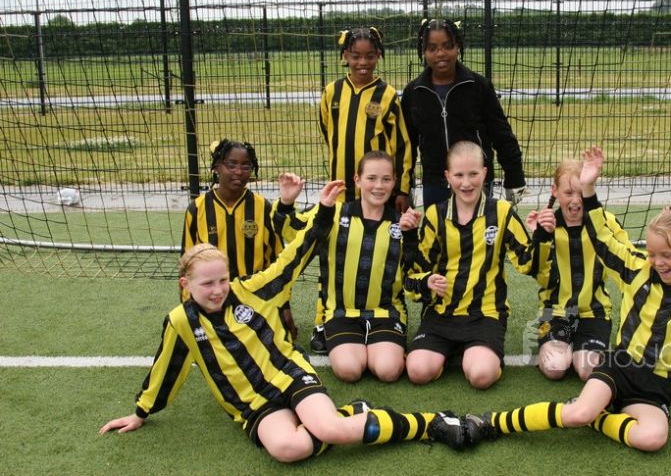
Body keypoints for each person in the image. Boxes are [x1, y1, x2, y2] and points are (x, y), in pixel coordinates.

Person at [429, 146, 671, 452]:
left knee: (653, 439)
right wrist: (587, 190)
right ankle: (492, 422)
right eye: (653, 254)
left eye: (667, 255)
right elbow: (602, 237)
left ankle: (596, 415)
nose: (658, 262)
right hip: (619, 367)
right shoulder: (637, 269)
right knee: (573, 405)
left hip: (656, 386)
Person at [100, 181, 439, 463]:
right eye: (207, 284)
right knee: (288, 449)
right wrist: (141, 412)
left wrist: (323, 211)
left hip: (290, 376)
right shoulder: (181, 321)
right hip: (255, 404)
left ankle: (430, 424)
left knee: (331, 430)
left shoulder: (252, 290)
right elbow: (167, 367)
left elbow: (293, 256)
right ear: (185, 284)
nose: (218, 290)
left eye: (223, 280)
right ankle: (353, 413)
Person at [404, 141, 552, 390]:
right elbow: (414, 275)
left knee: (481, 376)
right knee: (417, 372)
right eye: (459, 175)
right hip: (442, 313)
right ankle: (449, 352)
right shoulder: (434, 215)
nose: (466, 183)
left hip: (485, 315)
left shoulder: (501, 212)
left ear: (484, 173)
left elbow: (528, 264)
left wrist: (542, 235)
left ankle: (476, 354)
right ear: (447, 177)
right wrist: (427, 280)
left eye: (473, 174)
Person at [277, 151, 420, 382]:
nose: (378, 186)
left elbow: (414, 275)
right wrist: (286, 203)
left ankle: (383, 347)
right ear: (357, 180)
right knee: (349, 370)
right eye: (371, 178)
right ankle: (345, 341)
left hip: (386, 313)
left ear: (394, 181)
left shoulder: (400, 223)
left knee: (388, 371)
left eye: (386, 179)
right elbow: (294, 234)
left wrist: (411, 236)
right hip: (342, 313)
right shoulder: (333, 212)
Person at [401, 18, 526, 207]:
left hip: (475, 180)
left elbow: (502, 135)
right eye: (432, 48)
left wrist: (514, 176)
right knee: (438, 226)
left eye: (448, 46)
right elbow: (406, 145)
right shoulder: (414, 92)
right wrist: (403, 188)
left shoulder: (479, 86)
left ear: (458, 47)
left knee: (478, 226)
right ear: (423, 51)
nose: (440, 53)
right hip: (435, 183)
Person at [526, 159, 631, 381]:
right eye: (568, 193)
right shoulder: (548, 226)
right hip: (554, 312)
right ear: (555, 191)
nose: (575, 200)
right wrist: (541, 237)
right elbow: (540, 277)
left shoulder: (605, 223)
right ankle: (556, 345)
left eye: (581, 193)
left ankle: (582, 348)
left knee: (587, 370)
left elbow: (629, 262)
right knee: (555, 368)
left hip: (595, 312)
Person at [181, 139, 298, 338]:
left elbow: (278, 262)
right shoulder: (197, 209)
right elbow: (187, 264)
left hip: (255, 298)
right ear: (217, 167)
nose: (239, 171)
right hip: (212, 300)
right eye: (231, 164)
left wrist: (284, 306)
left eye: (246, 166)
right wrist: (189, 311)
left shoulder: (263, 208)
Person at [319, 27, 414, 212]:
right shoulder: (332, 92)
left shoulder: (387, 95)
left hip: (377, 191)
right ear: (346, 56)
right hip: (341, 189)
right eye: (356, 56)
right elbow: (327, 131)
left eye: (369, 56)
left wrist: (402, 190)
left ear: (378, 55)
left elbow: (402, 145)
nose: (363, 62)